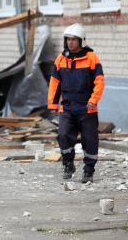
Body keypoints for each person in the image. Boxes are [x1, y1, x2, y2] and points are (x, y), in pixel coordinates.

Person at [47, 23, 105, 183]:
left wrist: (93, 101)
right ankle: (68, 163)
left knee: (90, 140)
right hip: (67, 108)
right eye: (68, 40)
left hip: (87, 109)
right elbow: (54, 83)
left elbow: (99, 82)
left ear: (81, 41)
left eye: (74, 40)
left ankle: (88, 171)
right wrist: (53, 104)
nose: (71, 42)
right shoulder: (60, 59)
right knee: (63, 135)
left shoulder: (92, 58)